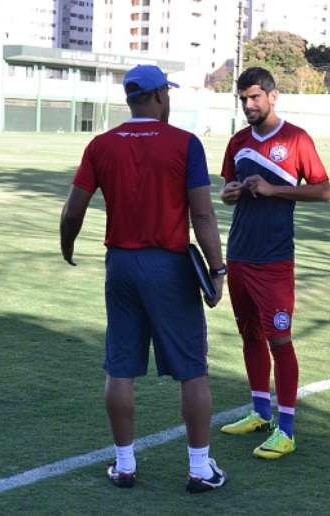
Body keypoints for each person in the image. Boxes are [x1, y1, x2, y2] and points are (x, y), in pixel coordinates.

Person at [59, 64, 228, 493]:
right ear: (158, 96)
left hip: (121, 265)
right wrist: (217, 268)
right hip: (169, 266)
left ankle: (125, 465)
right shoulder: (185, 144)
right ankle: (199, 468)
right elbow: (203, 213)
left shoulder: (101, 145)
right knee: (192, 370)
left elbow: (73, 210)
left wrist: (68, 246)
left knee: (120, 369)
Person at [218, 67, 330, 460]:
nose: (248, 105)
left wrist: (273, 190)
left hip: (274, 260)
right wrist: (230, 193)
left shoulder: (296, 139)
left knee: (279, 340)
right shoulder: (237, 141)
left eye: (254, 97)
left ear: (272, 96)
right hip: (239, 255)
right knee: (249, 335)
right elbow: (225, 190)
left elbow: (323, 191)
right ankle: (259, 413)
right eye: (243, 99)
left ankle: (286, 429)